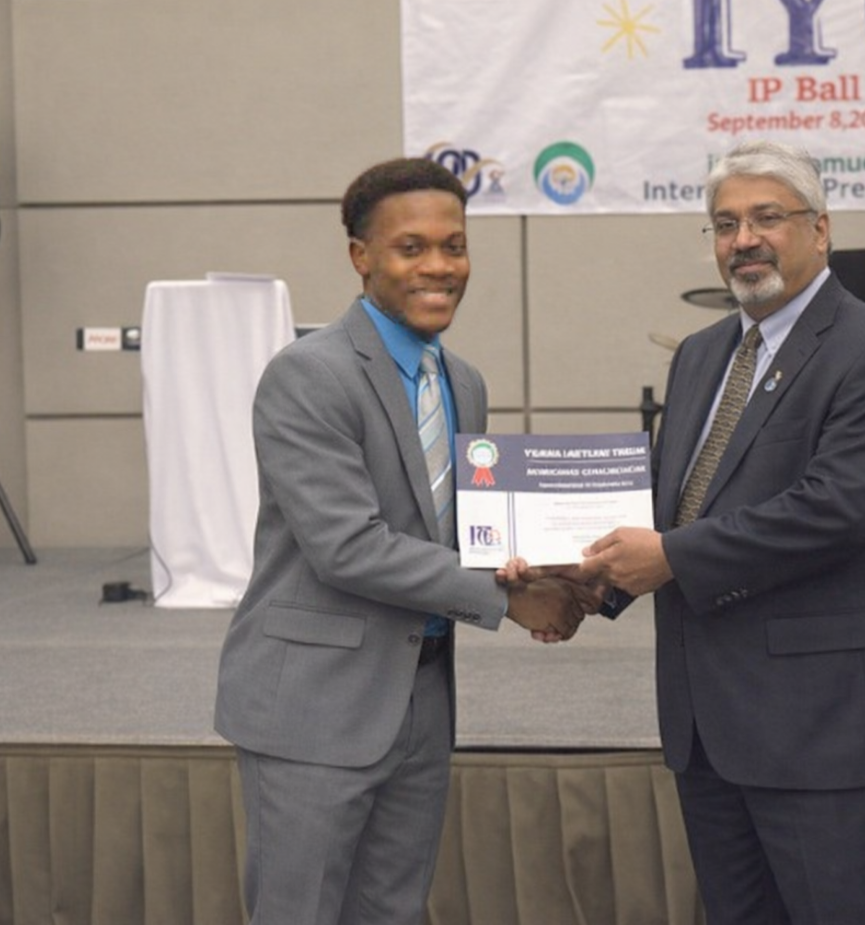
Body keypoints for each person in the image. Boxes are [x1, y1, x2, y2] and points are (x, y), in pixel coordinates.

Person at [526, 139, 865, 923]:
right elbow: (672, 507)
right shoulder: (700, 355)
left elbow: (838, 508)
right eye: (725, 224)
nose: (743, 239)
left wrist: (668, 557)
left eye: (766, 218)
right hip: (707, 725)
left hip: (823, 727)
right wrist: (585, 580)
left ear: (820, 229)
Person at [214, 157, 589, 925]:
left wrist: (555, 567)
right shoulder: (308, 375)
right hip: (315, 703)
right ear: (361, 256)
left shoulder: (465, 382)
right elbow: (347, 546)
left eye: (454, 246)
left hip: (420, 696)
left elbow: (460, 536)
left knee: (393, 909)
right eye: (411, 247)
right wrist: (509, 599)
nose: (439, 266)